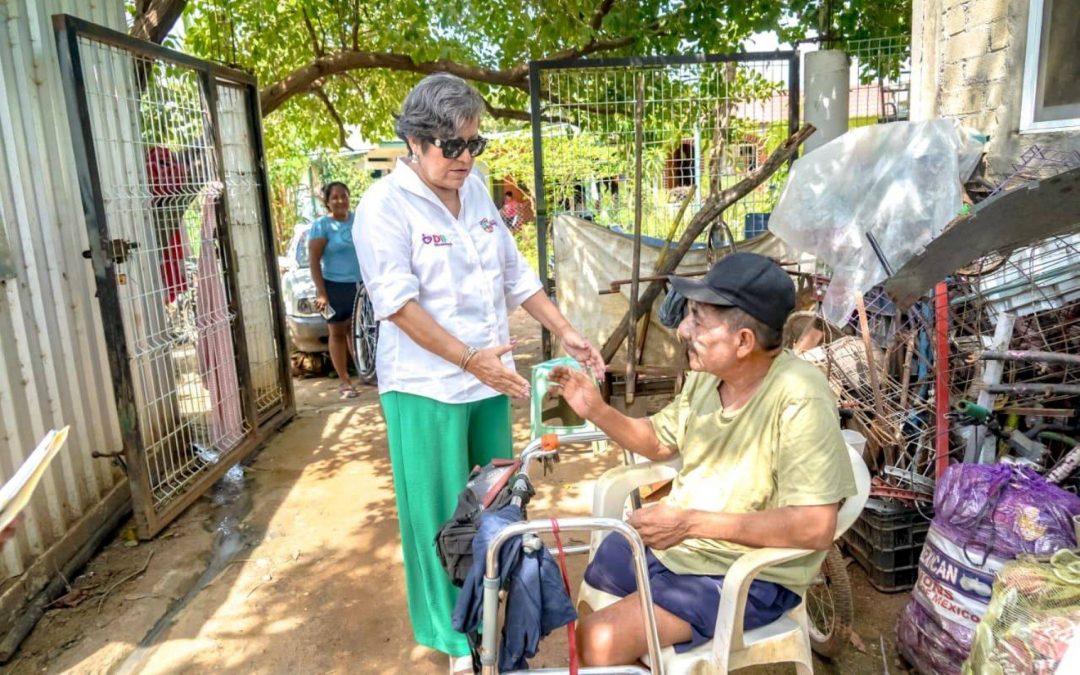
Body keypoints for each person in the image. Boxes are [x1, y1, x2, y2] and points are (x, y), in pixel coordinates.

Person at [353, 73, 604, 675]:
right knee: (440, 514)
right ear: (414, 141)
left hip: (489, 381)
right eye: (451, 145)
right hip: (427, 388)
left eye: (474, 144)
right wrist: (470, 360)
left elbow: (516, 275)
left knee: (496, 503)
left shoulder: (478, 190)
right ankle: (453, 639)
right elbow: (397, 305)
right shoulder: (383, 207)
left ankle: (495, 615)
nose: (465, 158)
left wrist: (565, 329)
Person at [549, 252, 858, 667]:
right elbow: (659, 441)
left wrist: (690, 523)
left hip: (746, 573)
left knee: (593, 642)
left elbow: (815, 527)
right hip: (688, 548)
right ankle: (661, 642)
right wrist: (597, 410)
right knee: (593, 579)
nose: (682, 330)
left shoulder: (799, 398)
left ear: (744, 341)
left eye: (697, 319)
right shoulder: (709, 378)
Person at [309, 181, 362, 399]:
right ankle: (345, 382)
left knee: (359, 333)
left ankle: (366, 374)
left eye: (344, 196)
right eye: (335, 197)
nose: (340, 201)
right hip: (333, 288)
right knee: (337, 332)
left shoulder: (359, 221)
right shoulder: (321, 226)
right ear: (328, 202)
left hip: (360, 287)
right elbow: (314, 261)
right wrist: (322, 293)